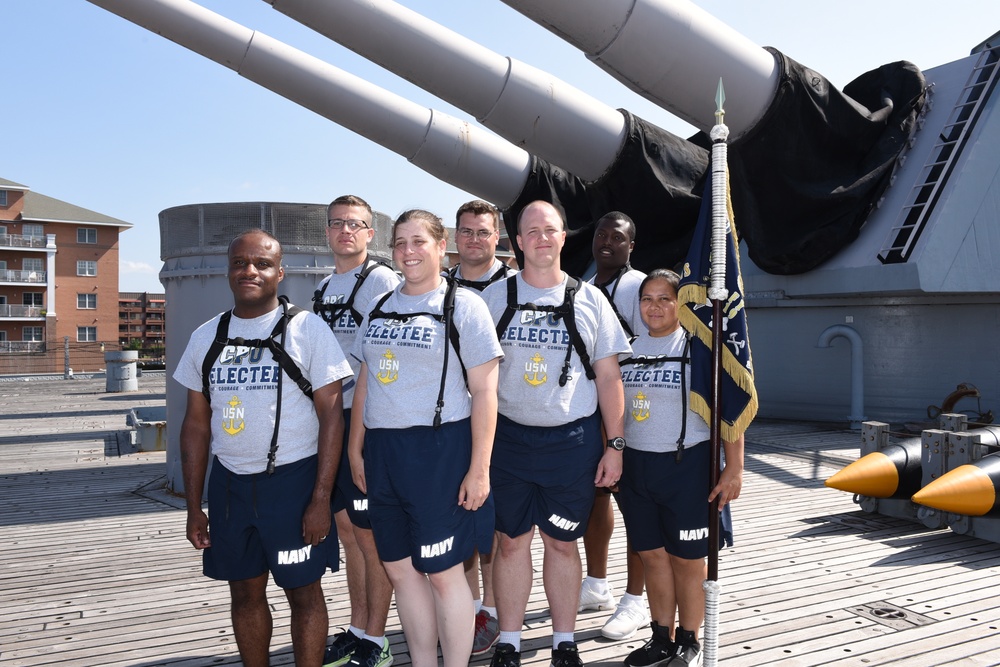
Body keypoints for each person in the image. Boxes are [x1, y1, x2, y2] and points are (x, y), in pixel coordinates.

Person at [175, 229, 352, 667]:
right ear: (228, 270)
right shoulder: (205, 338)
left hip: (293, 483)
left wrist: (321, 498)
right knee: (244, 592)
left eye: (262, 264)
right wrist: (195, 506)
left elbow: (333, 417)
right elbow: (196, 427)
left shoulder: (307, 330)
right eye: (240, 263)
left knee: (304, 592)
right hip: (231, 487)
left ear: (280, 272)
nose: (250, 271)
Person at [348, 209, 502, 667]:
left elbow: (485, 392)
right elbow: (364, 382)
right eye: (400, 243)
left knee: (441, 572)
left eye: (418, 241)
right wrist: (356, 448)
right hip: (384, 453)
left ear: (441, 248)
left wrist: (479, 469)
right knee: (399, 570)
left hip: (439, 452)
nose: (408, 251)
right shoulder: (379, 306)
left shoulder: (462, 306)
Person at [481, 200, 631, 667]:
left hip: (571, 444)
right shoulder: (492, 299)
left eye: (551, 230)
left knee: (562, 543)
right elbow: (475, 379)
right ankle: (508, 640)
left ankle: (563, 641)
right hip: (507, 442)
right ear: (519, 242)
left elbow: (609, 379)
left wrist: (615, 446)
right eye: (532, 231)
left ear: (564, 238)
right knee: (510, 542)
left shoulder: (590, 300)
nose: (542, 238)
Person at [615, 269, 743, 667]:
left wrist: (734, 466)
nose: (655, 307)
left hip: (687, 467)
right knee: (652, 556)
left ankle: (689, 639)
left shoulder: (701, 348)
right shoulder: (626, 349)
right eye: (647, 299)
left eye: (665, 298)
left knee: (687, 559)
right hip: (636, 468)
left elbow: (730, 409)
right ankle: (661, 638)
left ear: (681, 302)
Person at [313, 195, 400, 667]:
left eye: (356, 224)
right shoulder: (326, 285)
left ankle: (378, 638)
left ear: (370, 234)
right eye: (338, 224)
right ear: (327, 232)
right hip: (332, 417)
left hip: (363, 419)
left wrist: (360, 436)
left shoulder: (380, 280)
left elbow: (377, 358)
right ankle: (357, 626)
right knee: (347, 531)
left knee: (370, 536)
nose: (346, 231)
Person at [448, 199, 517, 657]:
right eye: (466, 231)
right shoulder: (438, 285)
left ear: (498, 238)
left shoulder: (515, 287)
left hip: (503, 419)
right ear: (455, 238)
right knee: (460, 518)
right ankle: (470, 609)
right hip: (452, 421)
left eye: (483, 232)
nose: (474, 239)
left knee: (497, 526)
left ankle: (493, 611)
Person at [579, 211, 650, 641]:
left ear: (631, 245)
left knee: (634, 505)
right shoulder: (587, 288)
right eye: (601, 234)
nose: (607, 242)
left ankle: (636, 600)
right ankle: (597, 584)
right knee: (595, 497)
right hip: (591, 410)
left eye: (617, 237)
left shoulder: (638, 287)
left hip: (631, 411)